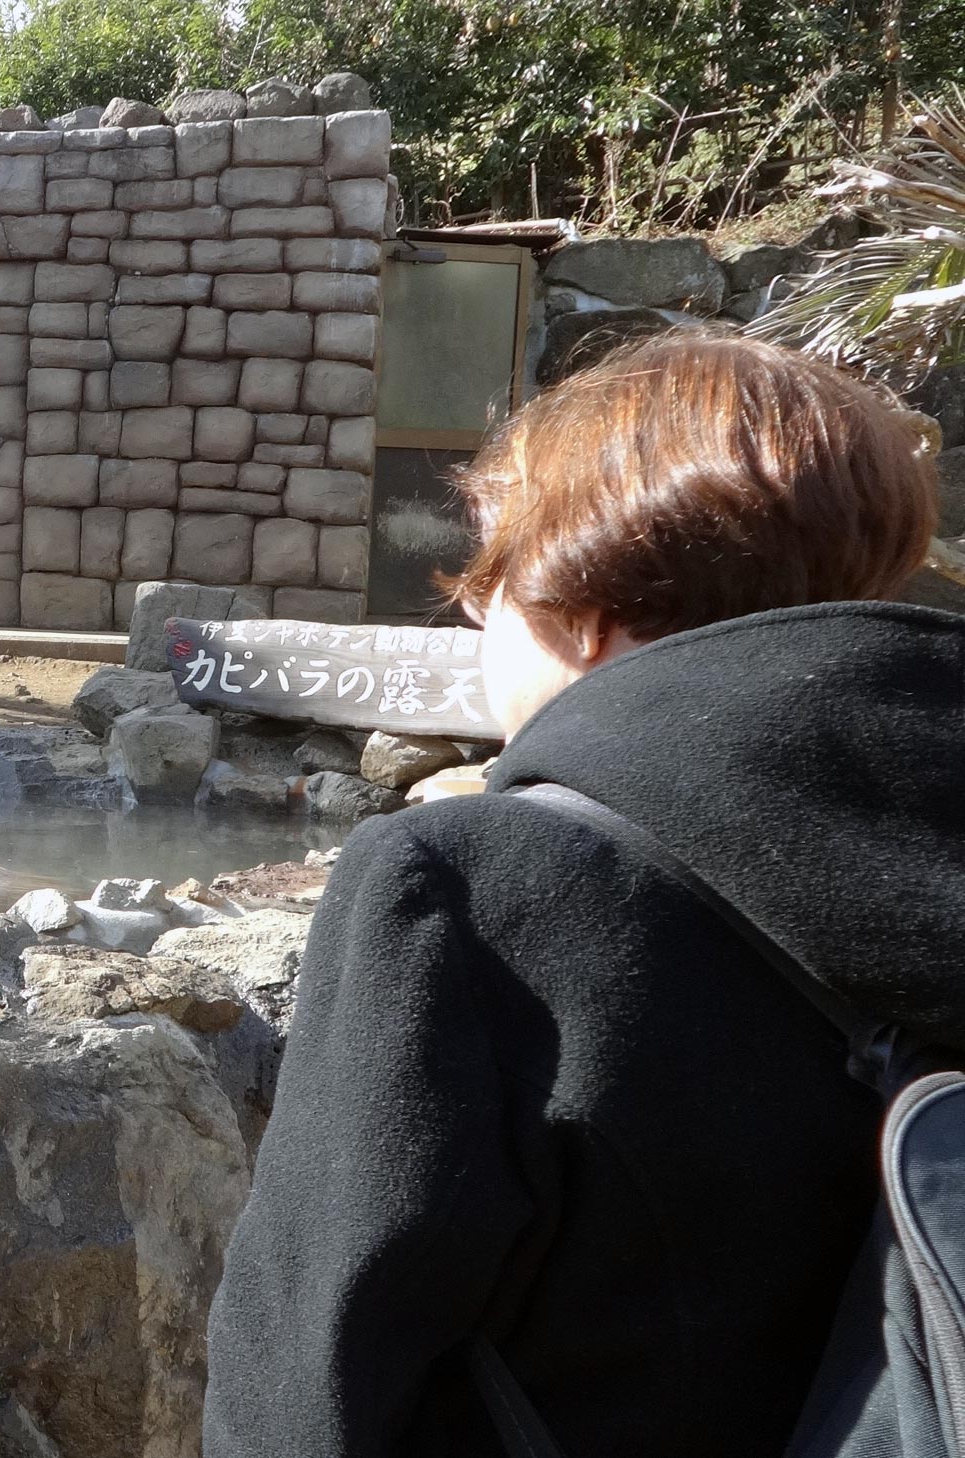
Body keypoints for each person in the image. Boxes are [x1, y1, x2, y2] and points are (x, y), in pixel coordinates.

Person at [202, 330, 965, 1456]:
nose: (476, 618)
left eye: (489, 584)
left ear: (578, 597)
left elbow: (306, 1385)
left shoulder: (475, 891)